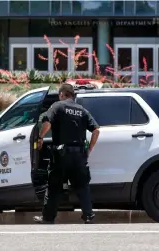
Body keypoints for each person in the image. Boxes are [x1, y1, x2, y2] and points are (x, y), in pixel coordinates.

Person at [33, 83, 100, 224]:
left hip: (61, 155)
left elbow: (47, 122)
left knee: (54, 187)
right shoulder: (82, 110)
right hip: (79, 155)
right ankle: (88, 216)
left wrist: (40, 137)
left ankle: (48, 218)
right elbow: (96, 130)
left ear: (62, 94)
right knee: (82, 186)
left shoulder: (58, 106)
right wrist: (89, 150)